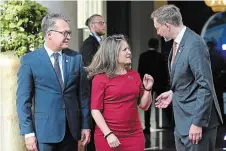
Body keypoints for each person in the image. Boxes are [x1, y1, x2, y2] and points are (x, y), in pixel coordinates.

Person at [151, 5, 223, 151]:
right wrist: (173, 93)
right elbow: (189, 79)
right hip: (183, 122)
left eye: (158, 28)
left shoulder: (194, 44)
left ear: (167, 25)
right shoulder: (178, 43)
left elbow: (205, 85)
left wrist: (197, 123)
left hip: (196, 124)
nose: (157, 32)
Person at [16, 13, 91, 151]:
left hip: (71, 132)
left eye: (69, 33)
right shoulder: (30, 61)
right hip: (44, 133)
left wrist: (85, 125)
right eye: (65, 33)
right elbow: (23, 100)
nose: (68, 37)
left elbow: (84, 96)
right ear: (50, 34)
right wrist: (28, 132)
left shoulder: (76, 58)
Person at [86, 34, 154, 151]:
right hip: (108, 136)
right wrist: (108, 134)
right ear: (113, 53)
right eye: (124, 49)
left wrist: (148, 89)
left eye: (128, 49)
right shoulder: (100, 78)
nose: (129, 52)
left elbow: (144, 106)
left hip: (134, 135)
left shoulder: (134, 75)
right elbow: (95, 110)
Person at [80, 14, 106, 151]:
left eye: (104, 22)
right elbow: (88, 69)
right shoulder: (88, 45)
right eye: (100, 23)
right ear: (92, 26)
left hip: (101, 92)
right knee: (94, 130)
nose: (104, 25)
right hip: (92, 92)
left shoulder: (101, 42)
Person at [138, 38, 168, 132]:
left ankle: (147, 127)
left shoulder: (143, 56)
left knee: (147, 106)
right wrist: (166, 83)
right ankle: (171, 125)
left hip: (147, 85)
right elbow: (165, 72)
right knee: (165, 104)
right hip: (160, 84)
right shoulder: (161, 56)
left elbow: (140, 71)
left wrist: (142, 84)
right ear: (157, 46)